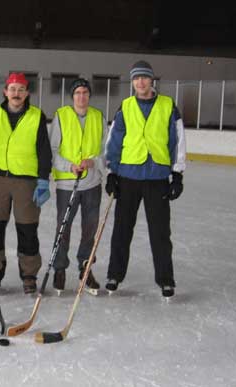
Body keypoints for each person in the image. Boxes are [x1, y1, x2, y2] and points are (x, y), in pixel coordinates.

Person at [104, 60, 186, 299]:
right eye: (136, 78)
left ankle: (166, 280)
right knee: (121, 230)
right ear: (133, 82)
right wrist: (112, 174)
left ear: (152, 80)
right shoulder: (125, 107)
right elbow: (114, 143)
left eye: (144, 77)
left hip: (157, 177)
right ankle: (114, 275)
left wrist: (177, 174)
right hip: (128, 177)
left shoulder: (168, 106)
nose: (140, 82)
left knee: (160, 233)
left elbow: (177, 141)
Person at [0, 72, 52, 294]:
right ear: (5, 91)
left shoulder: (37, 116)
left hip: (26, 182)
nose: (16, 93)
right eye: (12, 89)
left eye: (21, 89)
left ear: (27, 93)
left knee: (27, 229)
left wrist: (43, 180)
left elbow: (44, 151)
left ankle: (29, 275)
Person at [48, 78, 107, 295]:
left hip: (92, 183)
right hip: (67, 183)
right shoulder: (61, 116)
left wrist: (93, 163)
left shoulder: (98, 117)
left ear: (89, 96)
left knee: (89, 230)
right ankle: (60, 269)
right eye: (77, 93)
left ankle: (85, 267)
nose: (81, 96)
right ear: (72, 96)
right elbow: (53, 150)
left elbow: (105, 151)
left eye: (85, 92)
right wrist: (69, 166)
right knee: (63, 229)